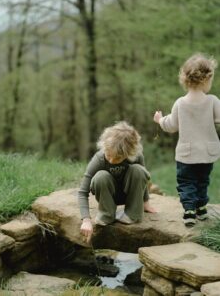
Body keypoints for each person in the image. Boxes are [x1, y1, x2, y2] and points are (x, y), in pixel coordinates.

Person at [153, 53, 220, 226]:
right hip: (207, 152)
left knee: (187, 182)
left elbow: (171, 125)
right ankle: (202, 208)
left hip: (187, 154)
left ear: (185, 79)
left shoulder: (180, 103)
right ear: (206, 79)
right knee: (202, 180)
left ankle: (189, 210)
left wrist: (160, 119)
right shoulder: (213, 101)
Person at [79, 121, 156, 243]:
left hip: (129, 195)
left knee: (139, 170)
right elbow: (82, 192)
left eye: (118, 158)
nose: (112, 160)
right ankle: (107, 215)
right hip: (108, 196)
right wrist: (86, 220)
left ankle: (132, 215)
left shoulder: (136, 156)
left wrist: (146, 202)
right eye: (109, 154)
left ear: (129, 153)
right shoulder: (99, 158)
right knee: (100, 176)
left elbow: (143, 180)